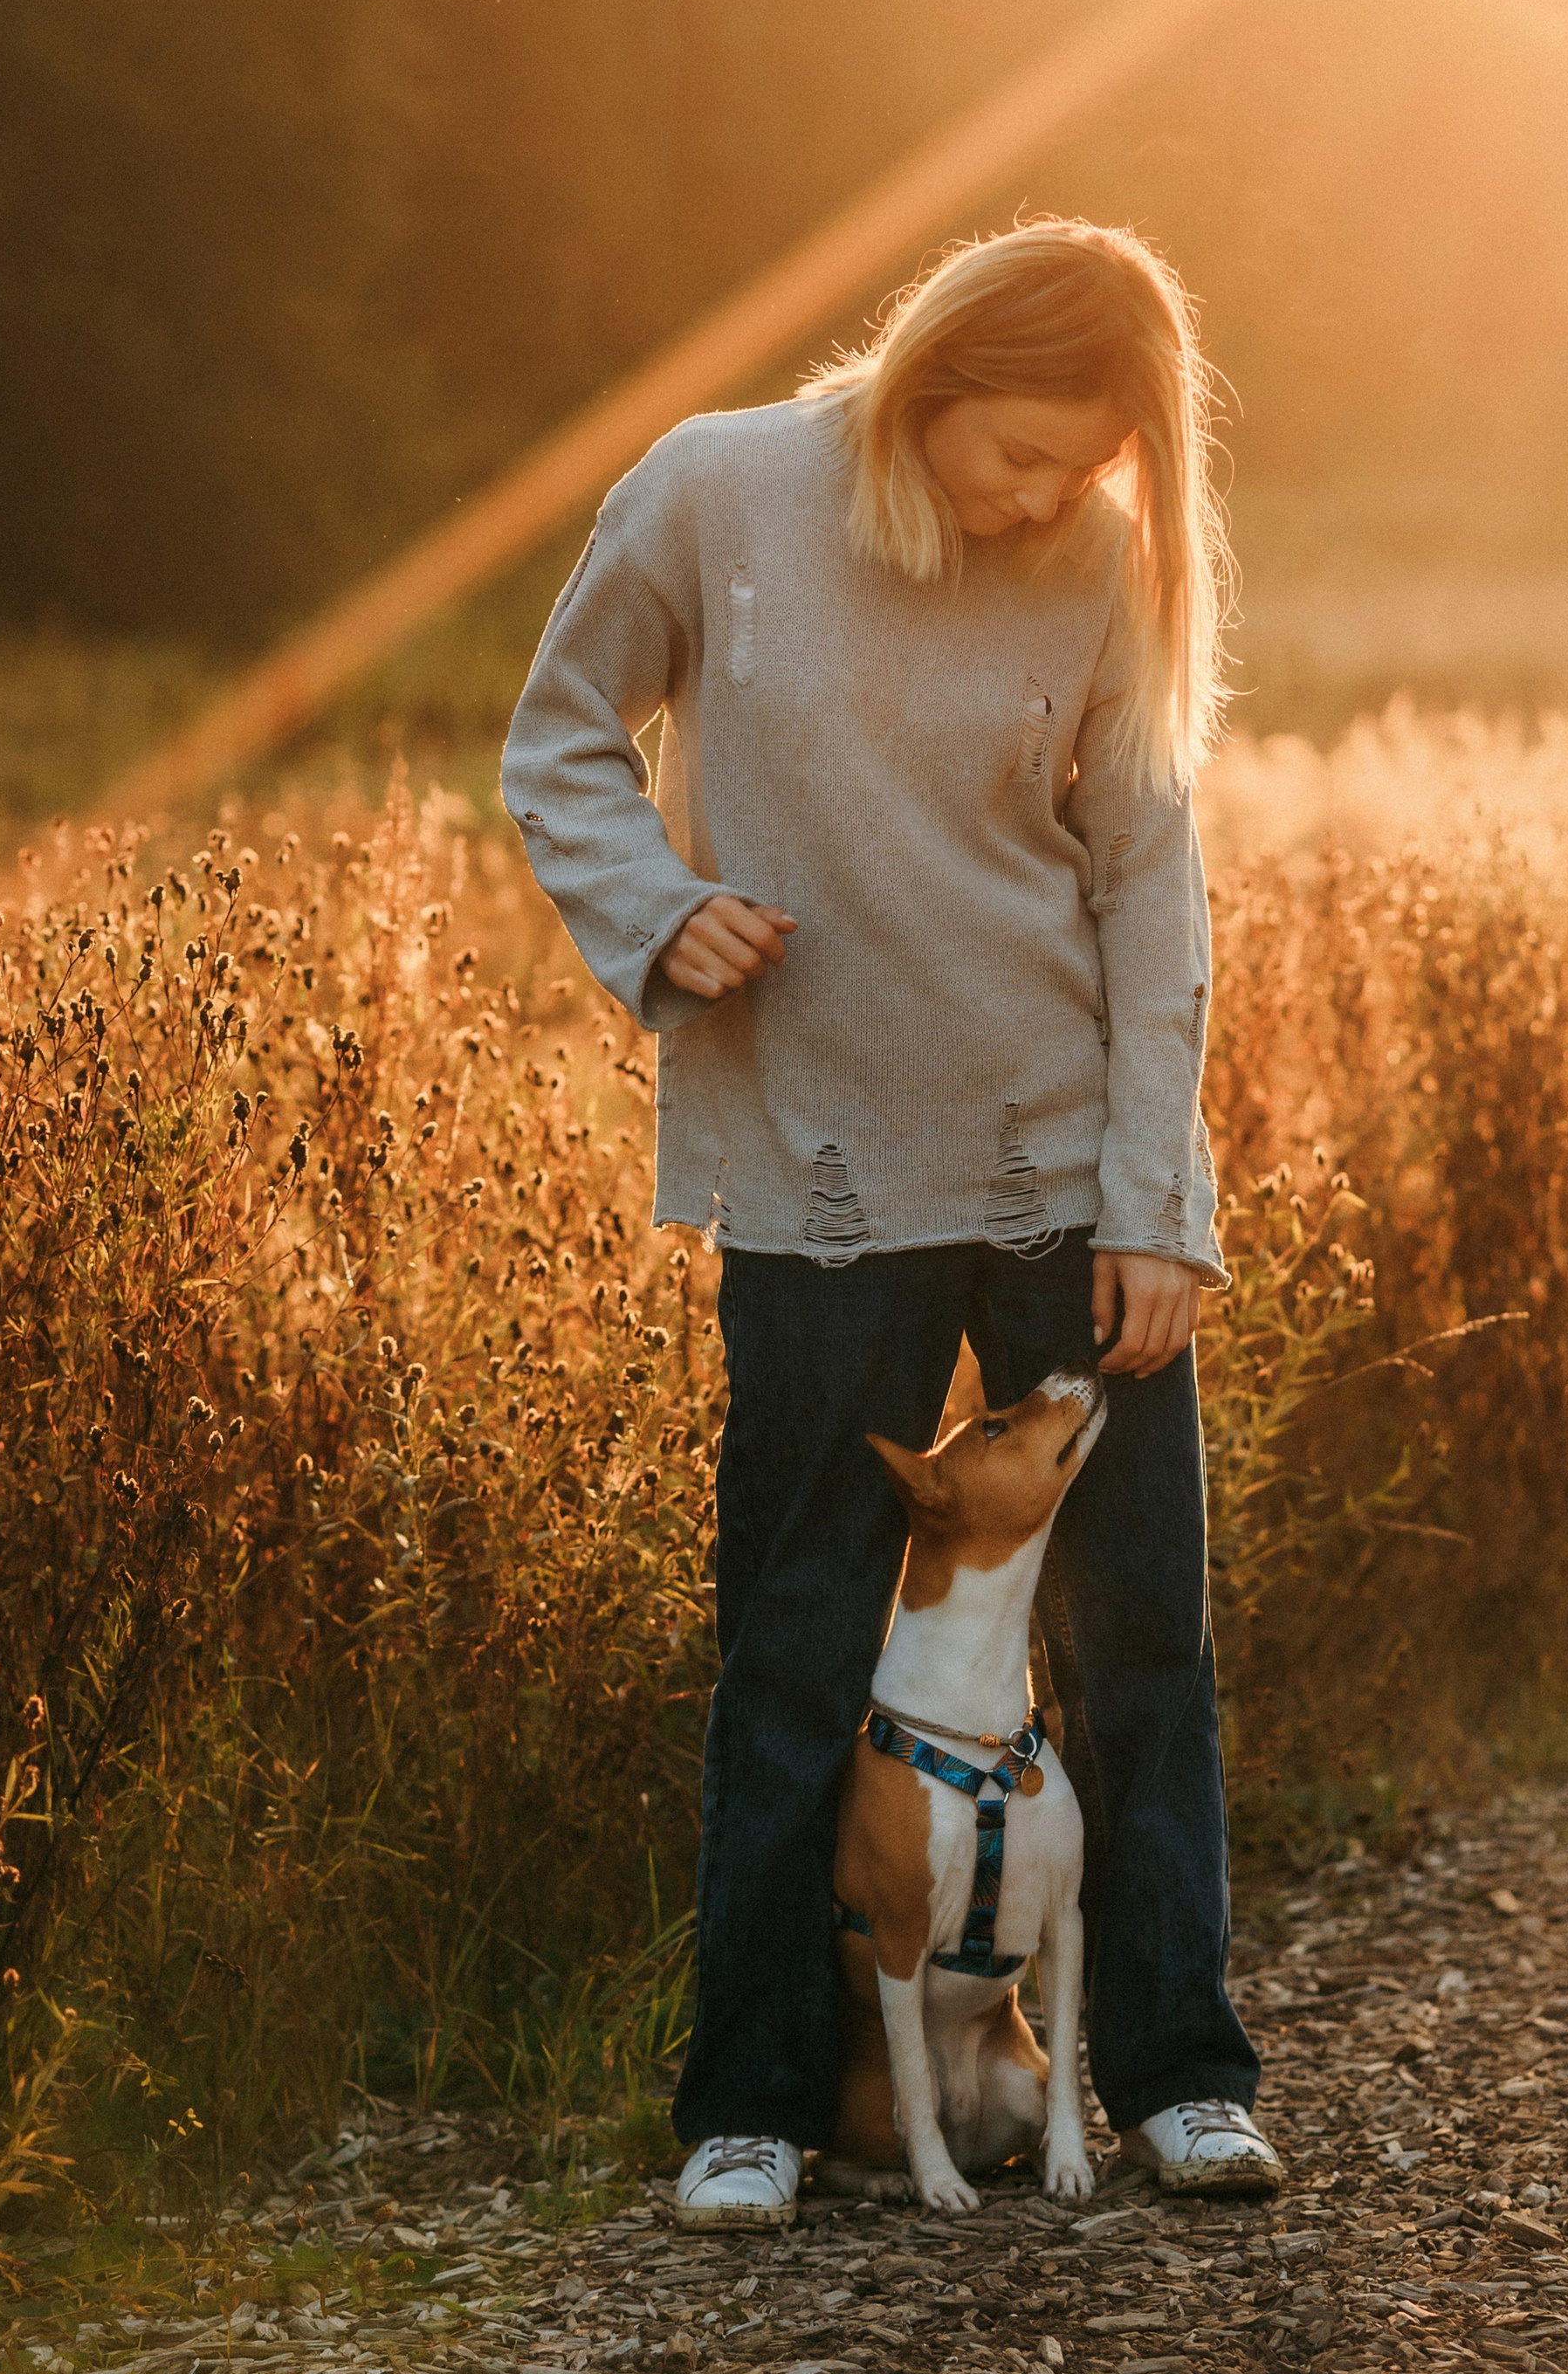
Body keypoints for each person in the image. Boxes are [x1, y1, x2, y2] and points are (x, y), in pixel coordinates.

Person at [501, 217, 1279, 2224]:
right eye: (1015, 451)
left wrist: (1155, 1200)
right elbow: (557, 739)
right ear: (932, 372)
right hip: (817, 1176)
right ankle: (749, 2103)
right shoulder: (712, 494)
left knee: (1137, 1638)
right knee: (791, 1639)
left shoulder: (1095, 561)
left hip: (1059, 1181)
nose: (1037, 499)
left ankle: (1177, 2075)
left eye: (1080, 469)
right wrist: (655, 912)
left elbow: (1145, 880)